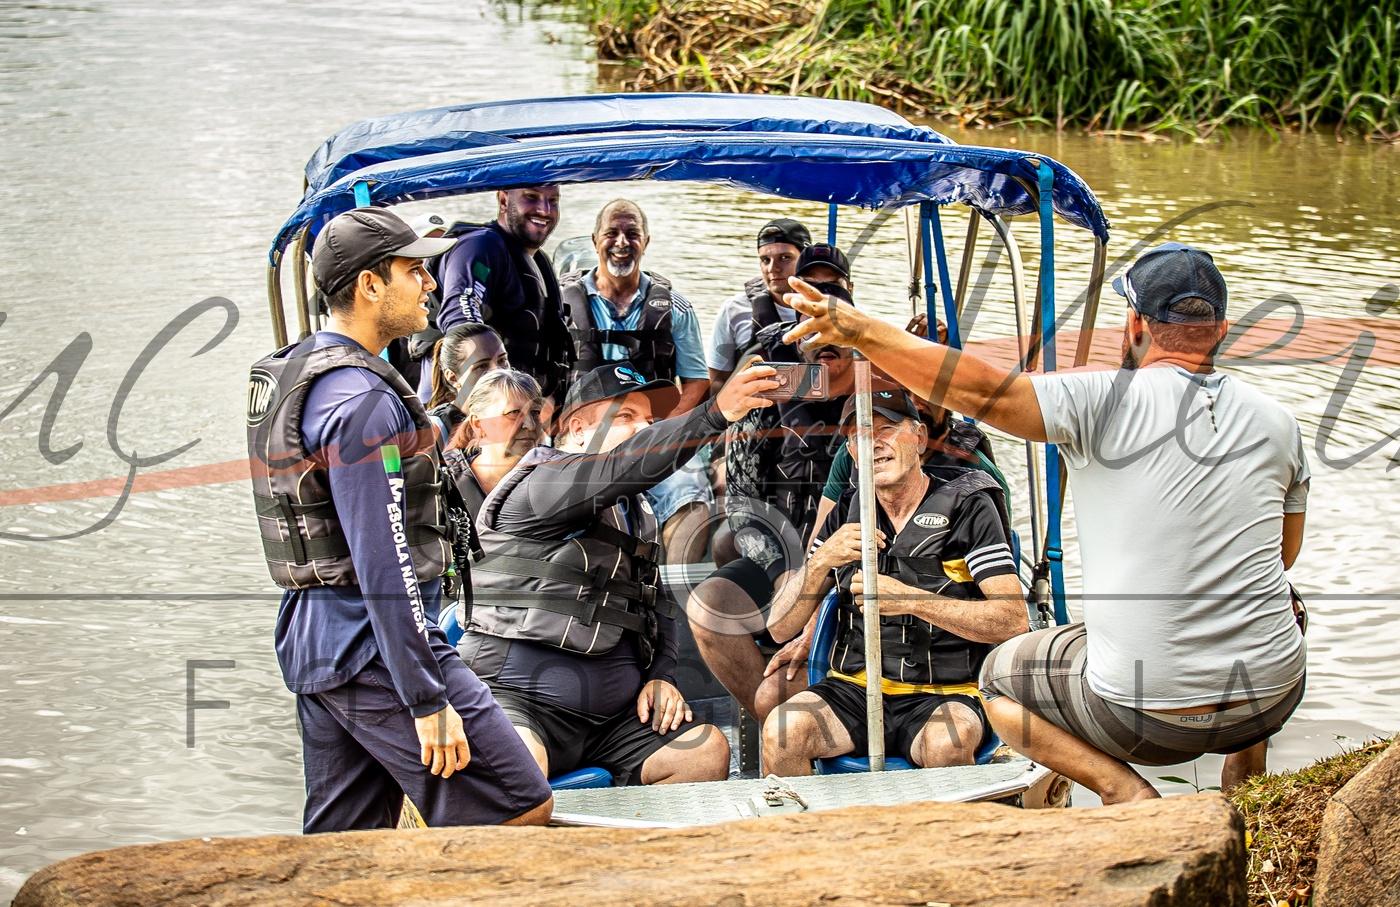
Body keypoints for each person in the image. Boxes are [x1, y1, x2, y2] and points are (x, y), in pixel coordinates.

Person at [782, 242, 1310, 803]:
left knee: (998, 681)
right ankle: (1247, 786)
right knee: (1284, 606)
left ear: (1134, 325)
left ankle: (1125, 792)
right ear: (1222, 330)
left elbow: (978, 390)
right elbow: (1281, 557)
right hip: (1272, 697)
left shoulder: (1101, 399)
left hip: (1146, 719)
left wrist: (862, 330)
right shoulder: (1281, 423)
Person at [247, 207, 553, 831]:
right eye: (413, 270)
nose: (431, 283)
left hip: (317, 641)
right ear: (369, 285)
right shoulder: (362, 403)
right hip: (374, 648)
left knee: (347, 841)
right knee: (522, 804)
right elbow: (384, 563)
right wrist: (426, 696)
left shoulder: (303, 374)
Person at [457, 362, 781, 785]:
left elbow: (655, 603)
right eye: (625, 416)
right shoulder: (542, 482)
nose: (644, 428)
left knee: (703, 752)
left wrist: (661, 676)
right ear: (577, 430)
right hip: (518, 702)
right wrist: (715, 413)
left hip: (613, 721)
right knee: (522, 770)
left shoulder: (635, 510)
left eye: (649, 419)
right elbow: (621, 467)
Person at [762, 388, 1026, 774]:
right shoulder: (846, 513)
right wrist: (820, 562)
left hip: (947, 694)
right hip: (853, 691)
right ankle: (808, 818)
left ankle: (949, 817)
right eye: (859, 436)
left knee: (948, 741)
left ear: (919, 438)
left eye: (886, 429)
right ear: (851, 453)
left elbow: (1012, 621)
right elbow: (778, 628)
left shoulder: (970, 507)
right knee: (782, 732)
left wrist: (912, 600)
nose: (873, 444)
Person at [685, 243, 858, 720]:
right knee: (710, 606)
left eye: (833, 303)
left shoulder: (879, 383)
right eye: (810, 307)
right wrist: (784, 568)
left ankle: (797, 715)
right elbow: (741, 500)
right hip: (787, 550)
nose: (823, 323)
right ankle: (772, 722)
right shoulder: (771, 381)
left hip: (860, 560)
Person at [558, 199, 713, 561]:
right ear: (595, 239)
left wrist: (668, 429)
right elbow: (547, 377)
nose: (622, 242)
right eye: (611, 233)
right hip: (585, 431)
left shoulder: (676, 308)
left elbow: (696, 382)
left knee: (690, 500)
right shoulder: (560, 305)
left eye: (632, 233)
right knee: (559, 493)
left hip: (652, 428)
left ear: (646, 241)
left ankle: (668, 583)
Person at [434, 186, 572, 404]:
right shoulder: (481, 248)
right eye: (531, 197)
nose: (545, 210)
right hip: (478, 407)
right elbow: (461, 312)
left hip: (529, 406)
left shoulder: (539, 261)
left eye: (553, 201)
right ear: (503, 200)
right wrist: (493, 395)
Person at [706, 218, 812, 391]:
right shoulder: (734, 310)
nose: (772, 268)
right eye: (765, 260)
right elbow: (718, 380)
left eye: (785, 258)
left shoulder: (830, 309)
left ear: (805, 260)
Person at [424, 323, 511, 444]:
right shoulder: (434, 430)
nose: (497, 372)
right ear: (453, 378)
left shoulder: (525, 417)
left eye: (502, 360)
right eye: (482, 366)